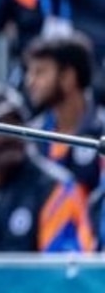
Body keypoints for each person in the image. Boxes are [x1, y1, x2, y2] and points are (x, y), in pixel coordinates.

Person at [0, 82, 95, 252]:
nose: (11, 136)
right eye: (0, 127)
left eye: (17, 124)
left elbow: (62, 271)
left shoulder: (57, 189)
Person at [23, 32, 105, 193]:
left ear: (68, 77)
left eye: (40, 72)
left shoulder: (102, 131)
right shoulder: (31, 137)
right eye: (29, 72)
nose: (30, 82)